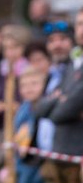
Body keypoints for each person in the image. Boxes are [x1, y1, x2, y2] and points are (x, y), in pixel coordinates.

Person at [35, 15, 83, 183]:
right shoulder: (65, 69)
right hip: (52, 155)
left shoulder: (76, 65)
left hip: (75, 156)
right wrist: (59, 101)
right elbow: (39, 110)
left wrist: (58, 102)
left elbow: (60, 113)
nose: (57, 45)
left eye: (62, 39)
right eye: (52, 40)